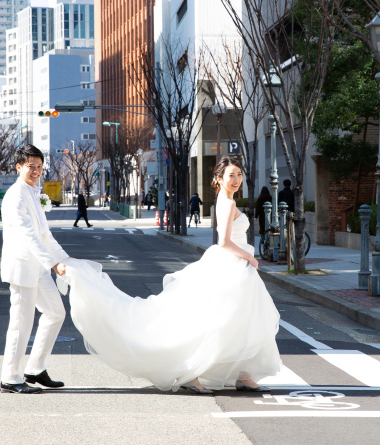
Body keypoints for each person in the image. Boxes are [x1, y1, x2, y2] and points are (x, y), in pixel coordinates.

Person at [57, 156, 281, 393]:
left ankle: (243, 374)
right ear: (218, 179)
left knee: (239, 319)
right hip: (230, 265)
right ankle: (193, 372)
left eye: (239, 175)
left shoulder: (225, 200)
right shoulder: (227, 203)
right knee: (220, 320)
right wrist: (249, 256)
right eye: (231, 175)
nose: (236, 180)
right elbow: (224, 241)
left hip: (231, 266)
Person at [0, 144, 71, 394]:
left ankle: (35, 368)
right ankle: (10, 377)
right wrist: (53, 263)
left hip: (38, 268)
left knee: (55, 312)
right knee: (21, 324)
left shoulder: (33, 192)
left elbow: (45, 236)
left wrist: (66, 260)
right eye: (31, 166)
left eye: (40, 167)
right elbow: (28, 236)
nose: (36, 171)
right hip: (22, 268)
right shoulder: (16, 196)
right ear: (18, 167)